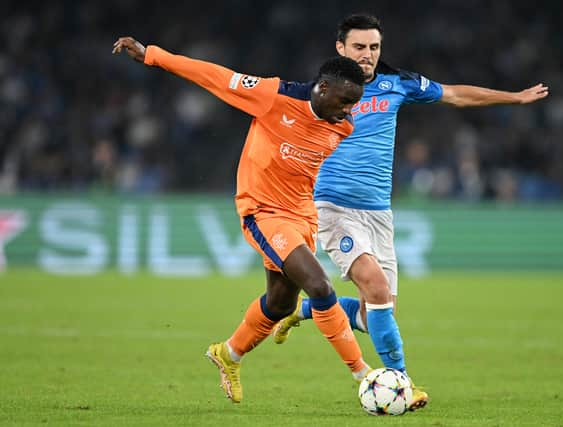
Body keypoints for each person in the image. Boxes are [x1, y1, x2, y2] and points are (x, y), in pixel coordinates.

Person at [272, 13, 550, 410]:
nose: (367, 55)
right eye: (358, 47)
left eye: (373, 48)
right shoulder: (323, 91)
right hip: (332, 206)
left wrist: (515, 97)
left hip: (379, 213)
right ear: (340, 48)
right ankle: (403, 383)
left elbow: (454, 95)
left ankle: (306, 308)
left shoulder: (398, 83)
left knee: (374, 316)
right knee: (376, 287)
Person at [112, 36, 372, 404]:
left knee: (280, 302)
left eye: (354, 104)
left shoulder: (341, 127)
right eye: (344, 101)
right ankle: (366, 376)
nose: (348, 111)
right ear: (323, 87)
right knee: (319, 286)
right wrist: (154, 56)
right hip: (262, 210)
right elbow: (214, 76)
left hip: (302, 216)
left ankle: (227, 354)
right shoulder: (273, 96)